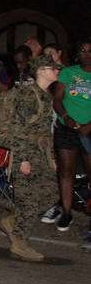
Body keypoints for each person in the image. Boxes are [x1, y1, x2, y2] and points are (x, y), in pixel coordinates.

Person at [0, 54, 61, 261]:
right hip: (25, 152)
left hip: (40, 152)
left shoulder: (47, 96)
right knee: (29, 200)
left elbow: (46, 131)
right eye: (53, 68)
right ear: (40, 71)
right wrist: (23, 158)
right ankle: (19, 243)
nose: (57, 71)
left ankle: (14, 223)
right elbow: (17, 127)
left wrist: (50, 157)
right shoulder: (28, 94)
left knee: (51, 195)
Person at [47, 40, 91, 232]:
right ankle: (66, 212)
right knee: (66, 172)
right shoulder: (68, 72)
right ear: (77, 54)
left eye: (90, 51)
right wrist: (66, 117)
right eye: (83, 51)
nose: (87, 54)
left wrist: (89, 126)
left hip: (89, 131)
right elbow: (57, 98)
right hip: (67, 128)